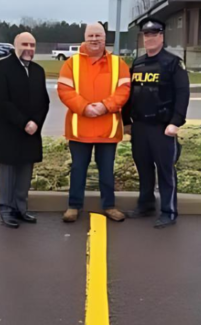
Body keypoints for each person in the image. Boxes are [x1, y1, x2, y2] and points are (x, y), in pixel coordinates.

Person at [57, 22, 131, 223]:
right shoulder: (71, 63)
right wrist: (85, 107)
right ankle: (74, 206)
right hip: (79, 128)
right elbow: (64, 90)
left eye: (98, 35)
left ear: (104, 38)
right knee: (78, 169)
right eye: (91, 35)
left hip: (108, 130)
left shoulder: (119, 63)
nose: (94, 39)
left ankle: (109, 206)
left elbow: (123, 91)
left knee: (107, 171)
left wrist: (104, 106)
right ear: (85, 37)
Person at [123, 18, 190, 229]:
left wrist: (176, 122)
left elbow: (182, 94)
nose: (150, 38)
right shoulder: (138, 63)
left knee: (165, 171)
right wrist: (126, 121)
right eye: (146, 34)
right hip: (140, 126)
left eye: (154, 34)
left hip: (163, 127)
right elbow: (129, 94)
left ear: (162, 36)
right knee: (143, 168)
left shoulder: (172, 63)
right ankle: (146, 205)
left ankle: (169, 211)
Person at [0, 32, 50, 229]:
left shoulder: (38, 71)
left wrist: (36, 123)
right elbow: (2, 101)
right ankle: (6, 210)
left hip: (31, 132)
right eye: (25, 44)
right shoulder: (0, 68)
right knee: (7, 172)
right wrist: (24, 122)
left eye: (32, 45)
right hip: (8, 131)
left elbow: (44, 101)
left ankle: (20, 208)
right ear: (15, 45)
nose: (29, 49)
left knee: (25, 170)